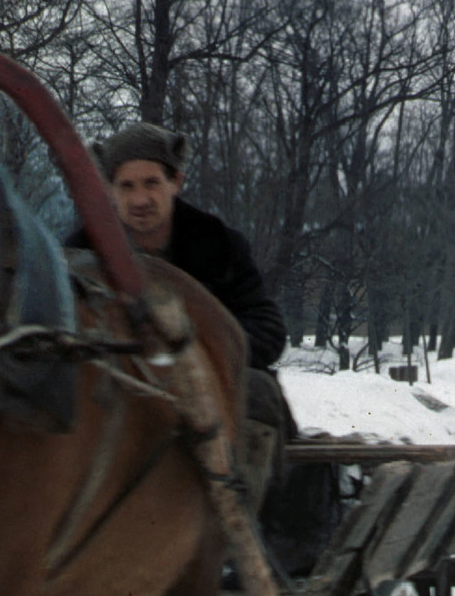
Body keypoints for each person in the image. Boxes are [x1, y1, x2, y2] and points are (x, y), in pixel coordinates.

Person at [74, 122, 293, 505]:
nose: (140, 198)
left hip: (210, 390)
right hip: (119, 390)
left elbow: (267, 328)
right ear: (109, 190)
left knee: (259, 395)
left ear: (176, 181)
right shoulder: (83, 253)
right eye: (127, 186)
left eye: (151, 183)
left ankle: (241, 534)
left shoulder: (218, 243)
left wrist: (203, 353)